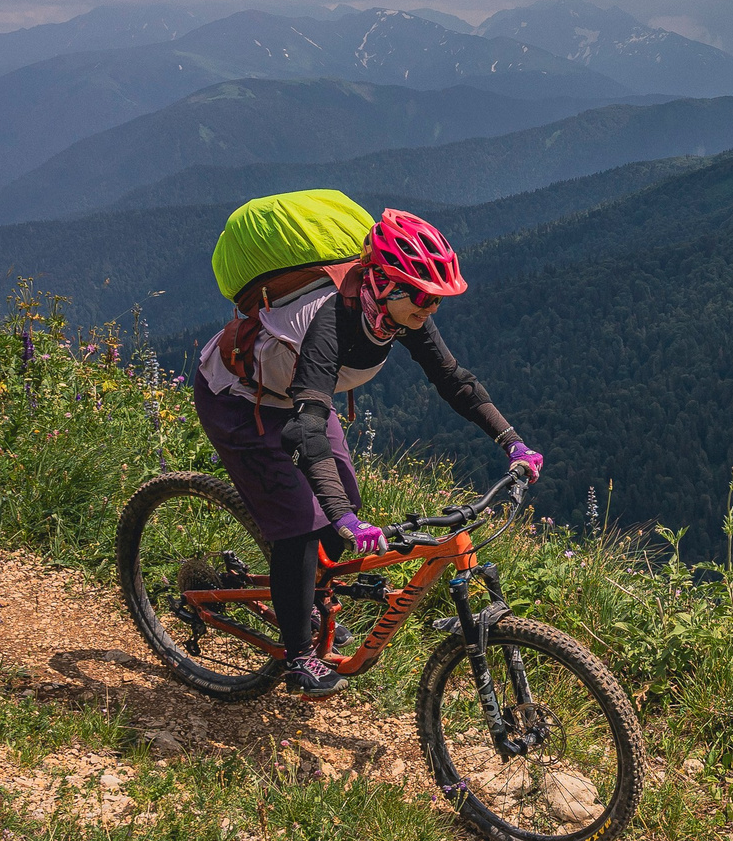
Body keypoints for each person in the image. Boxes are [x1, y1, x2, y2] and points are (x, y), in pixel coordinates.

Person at [190, 209, 541, 697]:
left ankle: (310, 599)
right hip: (239, 401)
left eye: (437, 299)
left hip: (297, 399)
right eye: (422, 295)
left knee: (345, 499)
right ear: (385, 282)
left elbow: (454, 381)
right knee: (300, 522)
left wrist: (513, 442)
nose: (430, 307)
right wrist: (337, 519)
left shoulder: (402, 311)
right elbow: (306, 431)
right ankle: (299, 657)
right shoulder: (330, 322)